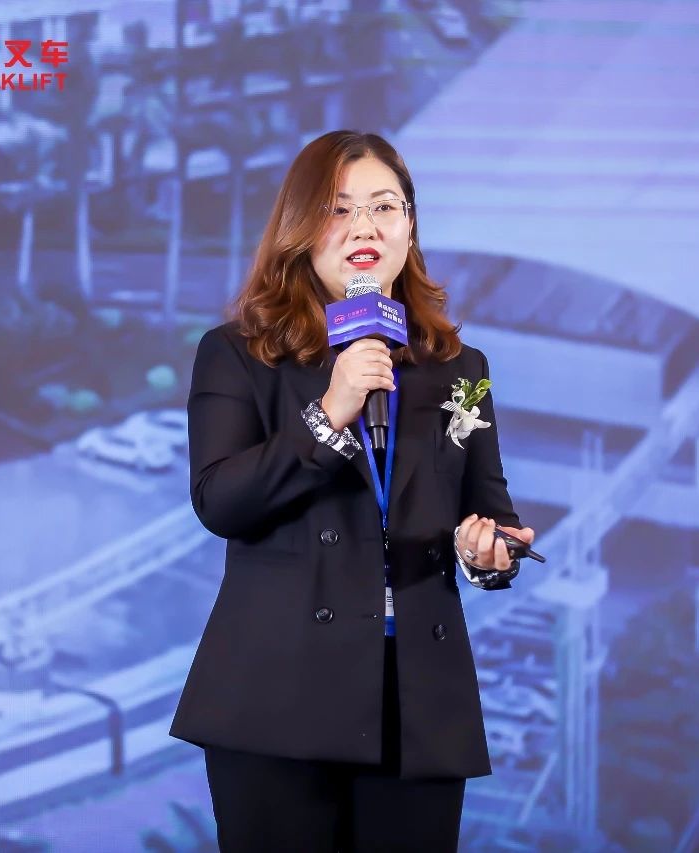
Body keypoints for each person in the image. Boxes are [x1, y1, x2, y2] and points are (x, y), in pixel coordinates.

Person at [169, 129, 537, 852]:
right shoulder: (239, 353)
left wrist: (490, 554)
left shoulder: (461, 367)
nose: (364, 226)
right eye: (339, 209)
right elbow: (220, 501)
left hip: (418, 699)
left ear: (410, 226)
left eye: (384, 206)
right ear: (300, 229)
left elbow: (489, 510)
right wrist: (329, 412)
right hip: (278, 691)